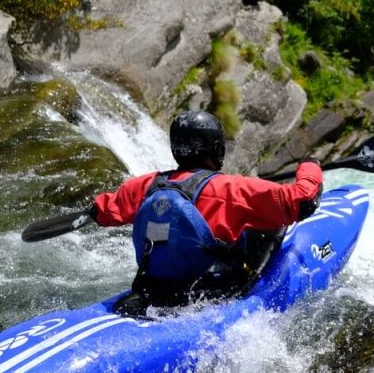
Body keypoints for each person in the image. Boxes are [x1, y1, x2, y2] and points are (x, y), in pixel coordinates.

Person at [90, 110, 323, 310]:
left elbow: (102, 212)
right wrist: (310, 165)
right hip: (205, 297)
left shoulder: (144, 186)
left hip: (152, 290)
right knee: (268, 225)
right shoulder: (232, 189)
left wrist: (94, 211)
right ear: (216, 148)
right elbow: (303, 201)